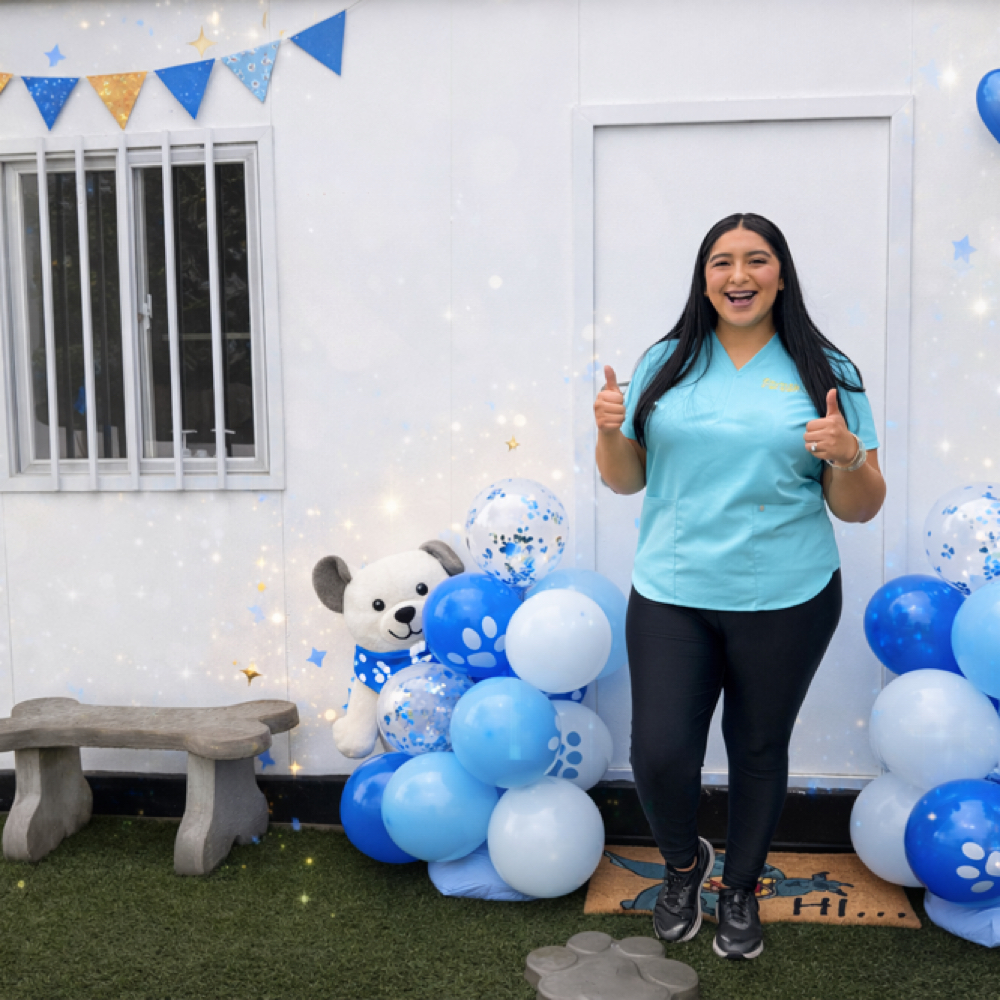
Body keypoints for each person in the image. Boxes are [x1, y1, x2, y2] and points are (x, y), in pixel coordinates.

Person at [593, 213, 885, 961]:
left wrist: (848, 456)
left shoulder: (828, 371)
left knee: (758, 747)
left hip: (786, 593)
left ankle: (742, 890)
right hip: (674, 588)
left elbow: (859, 506)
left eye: (757, 260)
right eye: (721, 262)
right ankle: (686, 866)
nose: (739, 276)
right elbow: (627, 482)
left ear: (781, 274)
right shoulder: (666, 360)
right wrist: (606, 431)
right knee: (659, 753)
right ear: (704, 278)